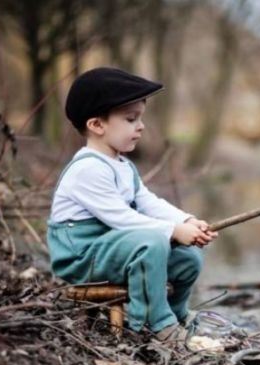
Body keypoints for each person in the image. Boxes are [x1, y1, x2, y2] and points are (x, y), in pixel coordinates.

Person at [47, 67, 218, 342]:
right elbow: (122, 218)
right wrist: (172, 231)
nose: (141, 126)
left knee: (189, 258)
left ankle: (175, 316)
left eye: (140, 118)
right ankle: (156, 324)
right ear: (97, 125)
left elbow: (147, 202)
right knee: (151, 243)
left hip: (112, 248)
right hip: (82, 258)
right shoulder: (87, 169)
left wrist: (186, 221)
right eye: (130, 119)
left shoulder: (122, 165)